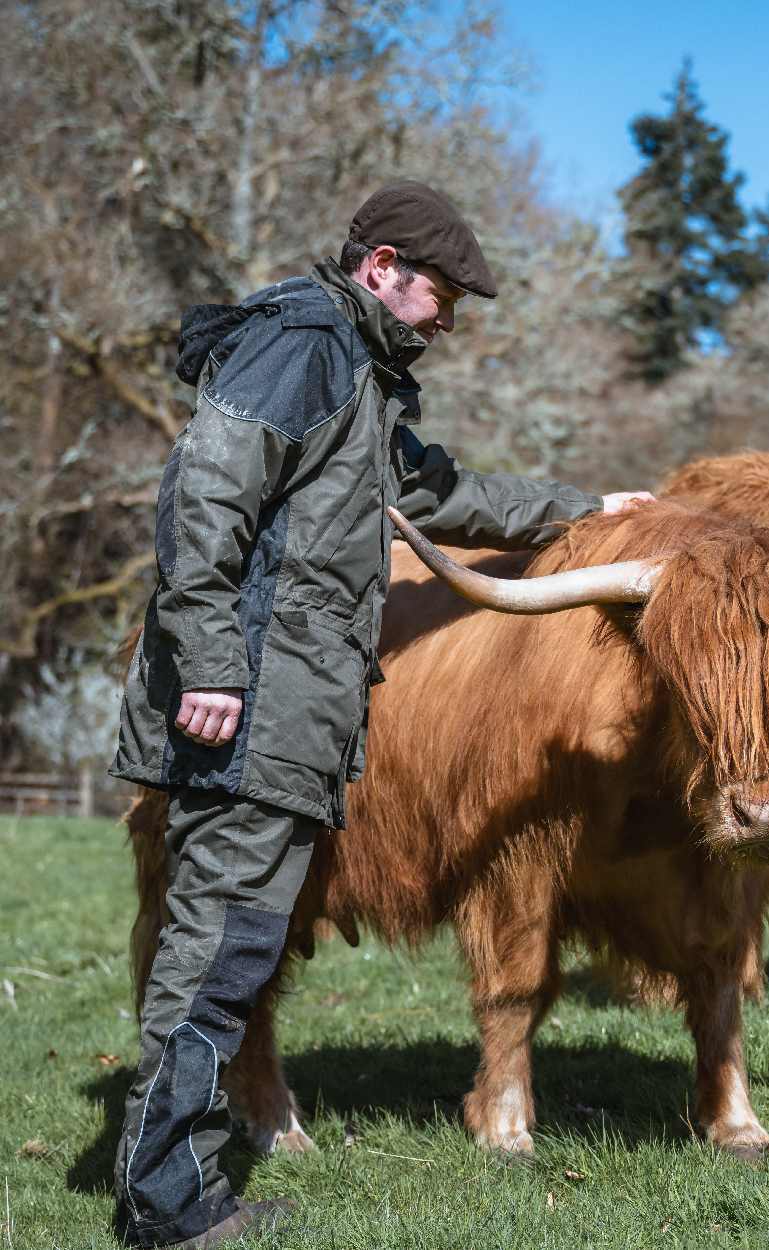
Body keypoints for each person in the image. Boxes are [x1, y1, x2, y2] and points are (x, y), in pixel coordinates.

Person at [109, 180, 654, 1249]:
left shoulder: (354, 378)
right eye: (441, 291)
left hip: (288, 721)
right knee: (213, 949)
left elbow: (439, 495)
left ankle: (185, 1185)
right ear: (381, 267)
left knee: (237, 953)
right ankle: (161, 1203)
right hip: (245, 709)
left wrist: (586, 509)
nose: (448, 317)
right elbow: (203, 497)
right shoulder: (302, 346)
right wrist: (212, 665)